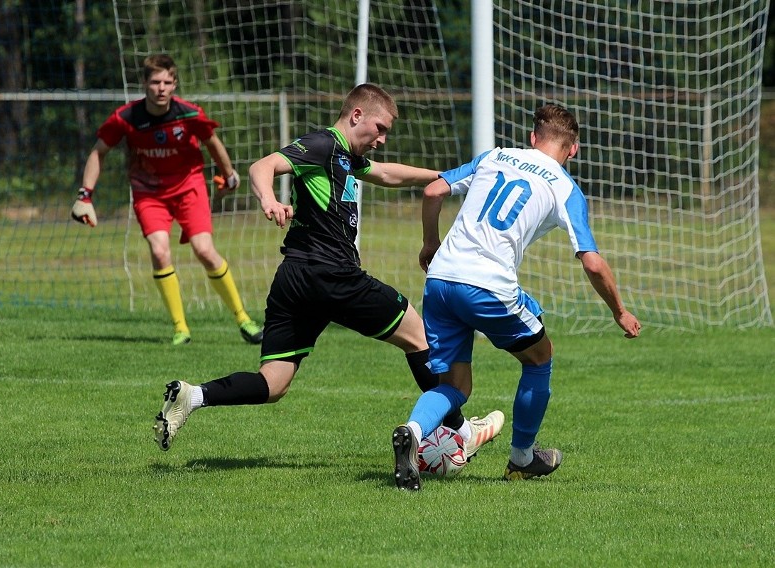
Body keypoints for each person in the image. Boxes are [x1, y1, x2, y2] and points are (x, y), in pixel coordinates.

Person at [153, 83, 504, 458]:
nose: (381, 139)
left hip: (294, 279)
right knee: (419, 336)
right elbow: (263, 165)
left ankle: (192, 396)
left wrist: (448, 175)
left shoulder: (346, 158)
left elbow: (386, 174)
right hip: (330, 273)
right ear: (356, 115)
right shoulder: (323, 144)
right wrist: (270, 199)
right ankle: (462, 432)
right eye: (380, 128)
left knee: (273, 384)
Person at [392, 103, 642, 491]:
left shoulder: (496, 156)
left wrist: (430, 243)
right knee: (540, 357)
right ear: (573, 150)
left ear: (532, 138)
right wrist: (620, 310)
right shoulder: (565, 187)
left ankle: (413, 428)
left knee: (456, 385)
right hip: (487, 284)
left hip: (440, 279)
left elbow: (433, 189)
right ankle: (522, 459)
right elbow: (592, 264)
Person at [70, 54, 263, 346]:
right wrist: (85, 196)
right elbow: (99, 152)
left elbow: (212, 142)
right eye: (155, 81)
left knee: (205, 250)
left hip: (189, 188)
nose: (161, 88)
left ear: (174, 85)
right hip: (149, 193)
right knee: (159, 252)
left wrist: (229, 175)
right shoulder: (125, 117)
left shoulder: (188, 113)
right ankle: (180, 329)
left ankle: (244, 320)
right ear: (145, 84)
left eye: (167, 82)